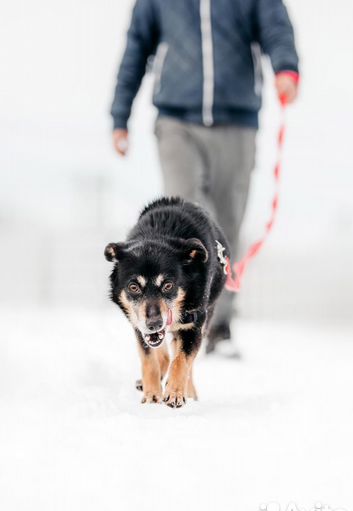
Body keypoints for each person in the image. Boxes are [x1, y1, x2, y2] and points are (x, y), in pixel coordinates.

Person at [111, 0, 299, 357]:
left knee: (226, 226)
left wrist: (286, 68)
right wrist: (120, 115)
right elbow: (136, 44)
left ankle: (220, 324)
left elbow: (275, 24)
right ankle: (180, 318)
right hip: (177, 121)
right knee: (184, 220)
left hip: (238, 121)